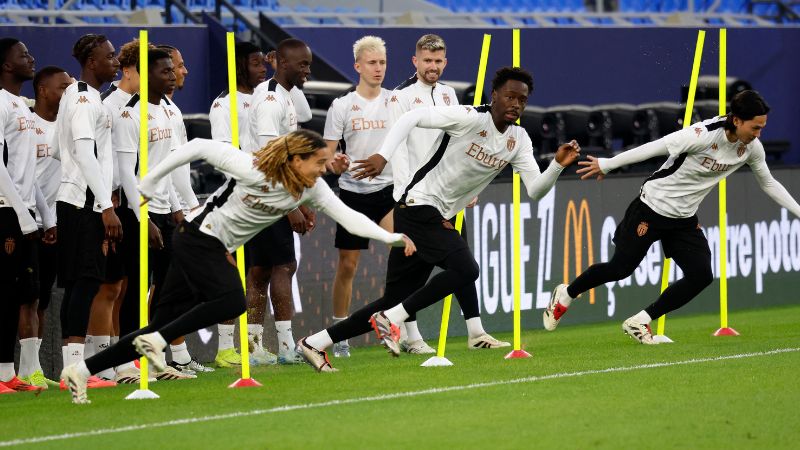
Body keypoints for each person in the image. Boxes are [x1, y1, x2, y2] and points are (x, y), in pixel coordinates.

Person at [60, 129, 416, 404]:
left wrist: (392, 239)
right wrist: (151, 180)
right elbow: (198, 145)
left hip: (211, 246)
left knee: (160, 326)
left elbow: (351, 219)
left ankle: (80, 370)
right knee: (232, 302)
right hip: (197, 237)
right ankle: (155, 340)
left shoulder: (310, 190)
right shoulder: (252, 167)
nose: (324, 170)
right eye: (319, 162)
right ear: (296, 160)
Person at [298, 67, 580, 372]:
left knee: (392, 300)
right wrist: (383, 156)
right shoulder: (470, 117)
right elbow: (411, 118)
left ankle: (315, 342)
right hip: (418, 205)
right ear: (495, 95)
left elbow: (536, 190)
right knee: (466, 269)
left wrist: (556, 166)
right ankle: (392, 320)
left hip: (431, 214)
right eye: (509, 96)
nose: (515, 104)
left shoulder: (519, 139)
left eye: (522, 100)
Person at [543, 90, 800, 343]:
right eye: (755, 128)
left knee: (701, 275)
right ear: (737, 121)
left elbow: (768, 183)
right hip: (652, 206)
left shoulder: (751, 148)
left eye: (762, 128)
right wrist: (608, 164)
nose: (758, 135)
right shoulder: (702, 135)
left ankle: (640, 320)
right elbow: (655, 147)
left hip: (684, 219)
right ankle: (566, 293)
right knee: (620, 269)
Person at [385, 33, 480, 353]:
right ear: (415, 61)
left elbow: (459, 144)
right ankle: (411, 337)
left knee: (462, 261)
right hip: (415, 198)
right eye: (427, 60)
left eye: (438, 61)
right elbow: (396, 146)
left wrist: (465, 184)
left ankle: (476, 332)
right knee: (408, 271)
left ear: (445, 62)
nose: (433, 66)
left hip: (448, 194)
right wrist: (402, 192)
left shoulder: (450, 94)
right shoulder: (399, 97)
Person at [55, 33, 121, 389]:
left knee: (80, 283)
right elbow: (83, 153)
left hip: (77, 199)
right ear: (92, 62)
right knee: (85, 282)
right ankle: (75, 372)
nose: (116, 62)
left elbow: (54, 149)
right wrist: (105, 203)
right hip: (83, 203)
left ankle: (73, 369)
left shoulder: (82, 96)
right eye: (110, 56)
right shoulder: (83, 99)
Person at [243, 38, 314, 365]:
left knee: (259, 270)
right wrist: (291, 207)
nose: (308, 71)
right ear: (282, 64)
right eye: (302, 65)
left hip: (261, 192)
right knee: (283, 266)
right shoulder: (270, 101)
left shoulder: (281, 95)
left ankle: (254, 345)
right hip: (268, 191)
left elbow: (305, 113)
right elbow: (271, 160)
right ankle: (286, 347)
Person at [323, 36, 394, 358]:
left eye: (381, 62)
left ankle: (403, 325)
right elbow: (328, 156)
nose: (377, 68)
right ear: (357, 66)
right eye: (371, 63)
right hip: (353, 193)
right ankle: (340, 333)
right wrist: (335, 163)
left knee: (406, 251)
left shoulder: (397, 102)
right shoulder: (342, 106)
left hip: (390, 191)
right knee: (348, 265)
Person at [208, 41, 277, 367]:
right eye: (255, 63)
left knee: (260, 270)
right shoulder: (224, 105)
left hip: (268, 196)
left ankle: (252, 343)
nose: (262, 68)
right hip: (238, 198)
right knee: (233, 272)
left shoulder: (268, 97)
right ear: (239, 67)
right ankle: (224, 348)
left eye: (264, 63)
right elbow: (222, 153)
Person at [0, 38, 55, 393]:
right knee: (4, 293)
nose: (31, 58)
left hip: (26, 212)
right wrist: (20, 212)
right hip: (5, 211)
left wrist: (45, 216)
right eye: (23, 55)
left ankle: (9, 374)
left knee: (25, 294)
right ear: (6, 64)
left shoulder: (20, 104)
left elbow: (28, 170)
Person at [15, 66, 71, 389]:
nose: (67, 92)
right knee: (26, 298)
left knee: (44, 300)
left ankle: (32, 368)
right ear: (43, 91)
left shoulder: (67, 126)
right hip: (28, 223)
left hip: (55, 226)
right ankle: (24, 370)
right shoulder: (27, 123)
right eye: (62, 87)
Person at [156, 43, 208, 373]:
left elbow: (179, 166)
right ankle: (151, 356)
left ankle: (179, 355)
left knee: (173, 286)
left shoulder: (172, 110)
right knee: (155, 287)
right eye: (177, 66)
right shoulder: (143, 110)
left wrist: (187, 205)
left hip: (172, 205)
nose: (183, 72)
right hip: (151, 207)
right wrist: (188, 206)